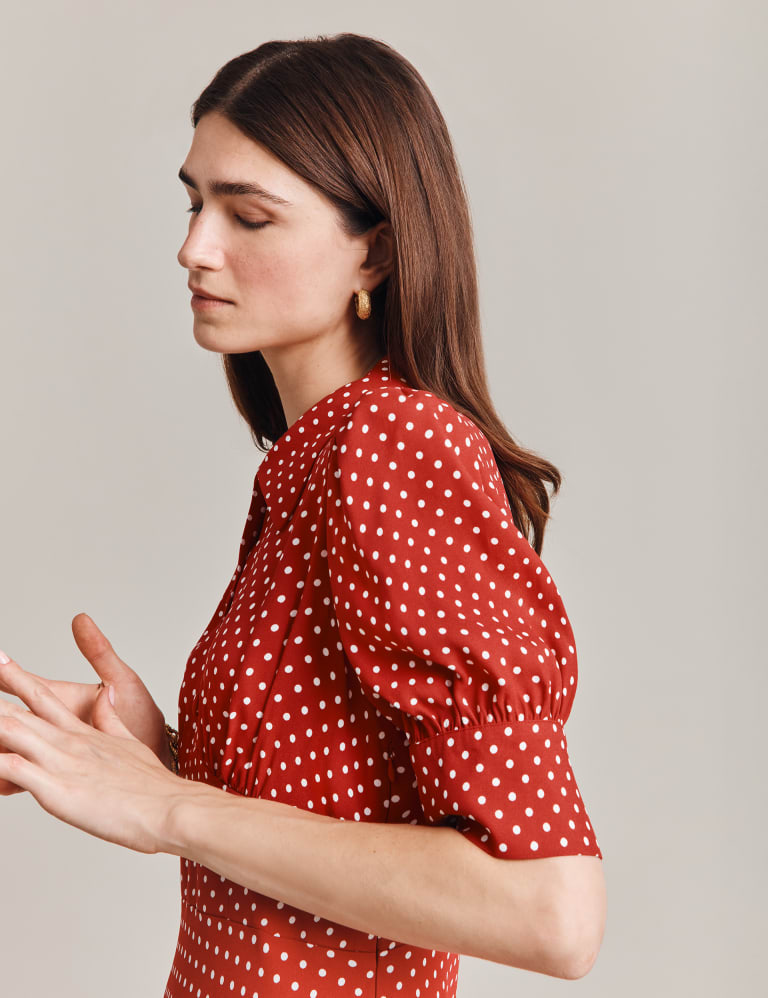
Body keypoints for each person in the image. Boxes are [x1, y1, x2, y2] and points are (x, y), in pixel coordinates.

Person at [0, 31, 606, 997]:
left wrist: (166, 808)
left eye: (249, 215)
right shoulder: (314, 462)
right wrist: (161, 762)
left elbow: (548, 911)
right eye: (195, 204)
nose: (194, 248)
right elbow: (346, 814)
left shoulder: (392, 445)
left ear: (377, 251)